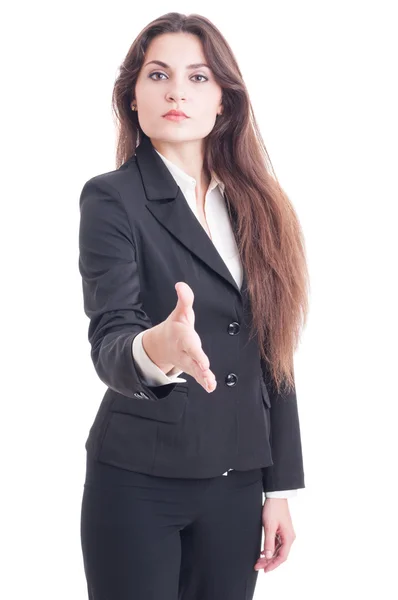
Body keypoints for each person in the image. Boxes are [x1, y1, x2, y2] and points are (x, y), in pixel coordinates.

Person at [78, 11, 309, 600]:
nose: (176, 91)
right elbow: (111, 338)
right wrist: (160, 347)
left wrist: (278, 487)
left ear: (225, 103)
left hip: (236, 484)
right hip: (137, 482)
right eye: (157, 76)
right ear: (132, 97)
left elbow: (274, 353)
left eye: (198, 77)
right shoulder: (111, 199)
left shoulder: (261, 207)